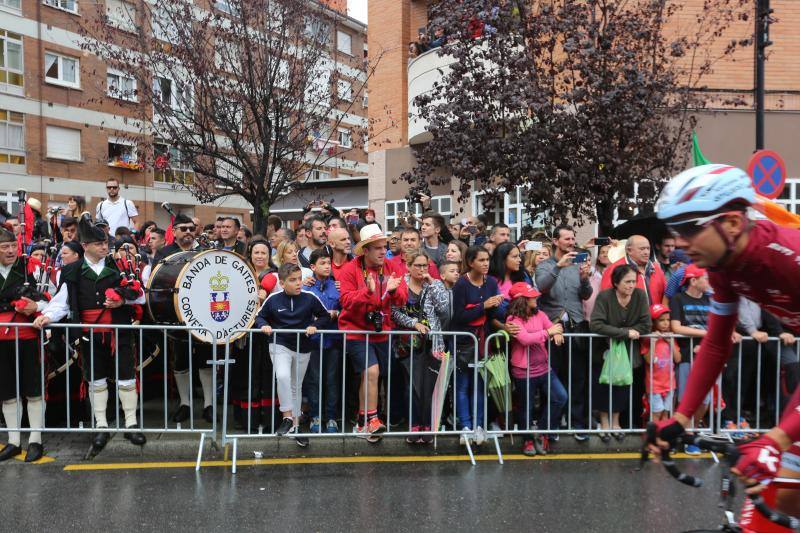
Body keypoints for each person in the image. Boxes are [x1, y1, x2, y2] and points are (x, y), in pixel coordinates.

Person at [649, 164, 800, 530]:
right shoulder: (723, 265)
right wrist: (680, 418)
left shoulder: (787, 257)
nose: (679, 242)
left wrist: (777, 438)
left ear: (731, 222)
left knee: (778, 471)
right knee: (786, 493)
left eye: (689, 229)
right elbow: (717, 342)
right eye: (674, 231)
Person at [34, 215, 146, 455]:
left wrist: (122, 299)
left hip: (119, 332)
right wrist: (47, 316)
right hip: (90, 335)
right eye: (99, 244)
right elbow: (62, 302)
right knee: (96, 380)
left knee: (126, 377)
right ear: (85, 246)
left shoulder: (118, 266)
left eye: (105, 243)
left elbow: (140, 296)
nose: (105, 247)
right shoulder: (72, 270)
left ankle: (131, 424)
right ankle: (101, 426)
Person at [338, 224, 407, 442]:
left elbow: (402, 299)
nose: (381, 252)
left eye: (383, 247)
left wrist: (394, 292)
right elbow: (346, 301)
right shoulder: (351, 269)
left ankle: (362, 422)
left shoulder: (391, 266)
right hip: (356, 331)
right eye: (376, 248)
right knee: (372, 373)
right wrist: (367, 292)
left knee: (371, 376)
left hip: (381, 331)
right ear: (365, 250)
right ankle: (373, 419)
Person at [255, 264, 332, 448]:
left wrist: (316, 326)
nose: (298, 283)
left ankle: (294, 427)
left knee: (296, 386)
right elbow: (260, 317)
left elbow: (325, 316)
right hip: (279, 343)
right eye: (292, 280)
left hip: (303, 346)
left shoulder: (310, 297)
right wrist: (263, 325)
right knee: (282, 376)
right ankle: (287, 417)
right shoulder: (273, 299)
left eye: (299, 279)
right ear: (282, 283)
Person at [153, 215, 215, 423]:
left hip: (203, 314)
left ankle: (208, 405)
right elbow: (157, 281)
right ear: (175, 231)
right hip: (175, 314)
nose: (188, 232)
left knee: (206, 360)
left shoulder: (204, 251)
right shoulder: (164, 253)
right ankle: (185, 403)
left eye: (191, 228)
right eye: (183, 229)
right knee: (180, 360)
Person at [535, 224, 593, 440]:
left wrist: (585, 279)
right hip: (553, 329)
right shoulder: (545, 265)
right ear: (555, 241)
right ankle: (553, 424)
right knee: (553, 378)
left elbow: (586, 295)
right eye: (566, 239)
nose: (571, 242)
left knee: (577, 378)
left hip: (576, 327)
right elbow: (541, 287)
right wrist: (558, 266)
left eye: (572, 238)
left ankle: (576, 423)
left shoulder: (579, 263)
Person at [0, 224, 49, 462]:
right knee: (8, 392)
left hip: (27, 336)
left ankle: (36, 440)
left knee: (33, 390)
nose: (10, 250)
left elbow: (52, 297)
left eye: (13, 245)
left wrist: (36, 307)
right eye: (4, 247)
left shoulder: (32, 268)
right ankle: (13, 441)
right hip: (1, 338)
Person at [590, 264, 651, 442]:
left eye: (634, 281)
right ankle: (604, 423)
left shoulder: (640, 296)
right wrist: (625, 333)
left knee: (622, 385)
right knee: (604, 385)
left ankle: (616, 423)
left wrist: (623, 331)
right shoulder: (605, 297)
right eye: (627, 282)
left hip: (627, 351)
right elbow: (596, 324)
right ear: (616, 282)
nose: (631, 285)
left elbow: (646, 324)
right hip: (604, 349)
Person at [451, 245, 503, 446]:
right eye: (481, 260)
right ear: (471, 262)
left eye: (487, 260)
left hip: (484, 342)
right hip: (464, 343)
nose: (486, 263)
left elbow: (493, 316)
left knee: (480, 385)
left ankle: (479, 426)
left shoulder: (490, 282)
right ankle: (465, 426)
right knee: (462, 385)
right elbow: (459, 316)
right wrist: (484, 306)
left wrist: (498, 306)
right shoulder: (461, 285)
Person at [506, 282, 566, 456]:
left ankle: (541, 431)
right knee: (527, 408)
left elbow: (553, 326)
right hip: (524, 372)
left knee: (560, 397)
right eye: (532, 296)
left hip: (543, 368)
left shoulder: (539, 314)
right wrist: (549, 333)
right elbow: (525, 339)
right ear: (522, 300)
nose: (536, 298)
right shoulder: (512, 320)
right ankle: (528, 441)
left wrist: (558, 332)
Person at [391, 251, 444, 444]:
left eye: (425, 266)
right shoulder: (400, 284)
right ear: (408, 266)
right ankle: (414, 425)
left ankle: (428, 426)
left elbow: (444, 309)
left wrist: (433, 284)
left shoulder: (434, 284)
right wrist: (414, 324)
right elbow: (394, 312)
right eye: (418, 266)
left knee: (429, 385)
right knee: (411, 385)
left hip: (432, 343)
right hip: (407, 343)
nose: (422, 270)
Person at [668, 263, 718, 452]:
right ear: (693, 280)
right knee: (684, 398)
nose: (709, 281)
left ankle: (692, 432)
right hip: (687, 355)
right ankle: (685, 434)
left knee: (704, 400)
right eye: (705, 278)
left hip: (707, 355)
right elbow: (676, 327)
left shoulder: (709, 300)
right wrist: (705, 334)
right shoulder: (678, 299)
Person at [302, 248, 343, 434]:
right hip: (313, 341)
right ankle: (315, 416)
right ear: (312, 266)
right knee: (314, 380)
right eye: (322, 263)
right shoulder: (306, 287)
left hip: (333, 339)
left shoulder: (337, 286)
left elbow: (346, 308)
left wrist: (337, 313)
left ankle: (332, 417)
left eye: (329, 263)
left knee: (332, 379)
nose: (327, 266)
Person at [601, 235, 666, 306]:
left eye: (648, 248)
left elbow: (665, 297)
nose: (646, 252)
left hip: (655, 316)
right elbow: (606, 300)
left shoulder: (657, 270)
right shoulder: (614, 269)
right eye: (642, 249)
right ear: (629, 250)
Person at [641, 304, 680, 422]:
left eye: (668, 320)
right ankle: (653, 439)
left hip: (670, 384)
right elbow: (648, 360)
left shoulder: (671, 338)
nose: (665, 323)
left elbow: (678, 359)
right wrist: (653, 342)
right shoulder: (648, 339)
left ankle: (661, 438)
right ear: (653, 322)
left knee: (666, 414)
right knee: (656, 414)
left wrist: (671, 342)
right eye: (661, 320)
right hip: (654, 386)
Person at [583, 243, 612, 320]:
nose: (605, 255)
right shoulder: (592, 270)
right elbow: (574, 258)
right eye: (602, 252)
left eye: (608, 252)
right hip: (590, 314)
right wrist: (583, 247)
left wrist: (619, 246)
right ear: (598, 257)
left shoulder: (619, 271)